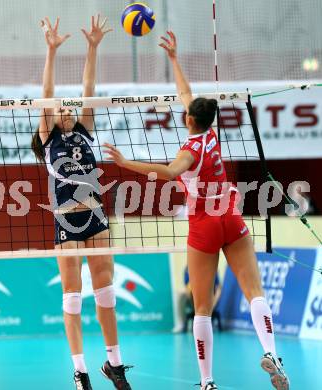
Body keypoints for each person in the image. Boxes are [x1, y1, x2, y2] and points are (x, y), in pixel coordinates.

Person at [104, 31, 289, 390]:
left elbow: (169, 172)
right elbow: (188, 97)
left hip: (203, 224)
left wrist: (126, 162)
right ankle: (273, 354)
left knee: (201, 307)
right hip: (231, 218)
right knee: (256, 292)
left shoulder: (189, 150)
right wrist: (175, 60)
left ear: (189, 119)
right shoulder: (211, 135)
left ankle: (207, 382)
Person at [31, 16, 132, 390]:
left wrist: (92, 47)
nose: (67, 108)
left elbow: (89, 87)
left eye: (70, 106)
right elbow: (46, 93)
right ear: (53, 116)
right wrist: (52, 50)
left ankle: (114, 364)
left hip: (97, 218)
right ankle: (80, 370)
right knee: (72, 297)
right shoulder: (49, 137)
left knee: (106, 291)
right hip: (67, 222)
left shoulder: (84, 128)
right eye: (60, 108)